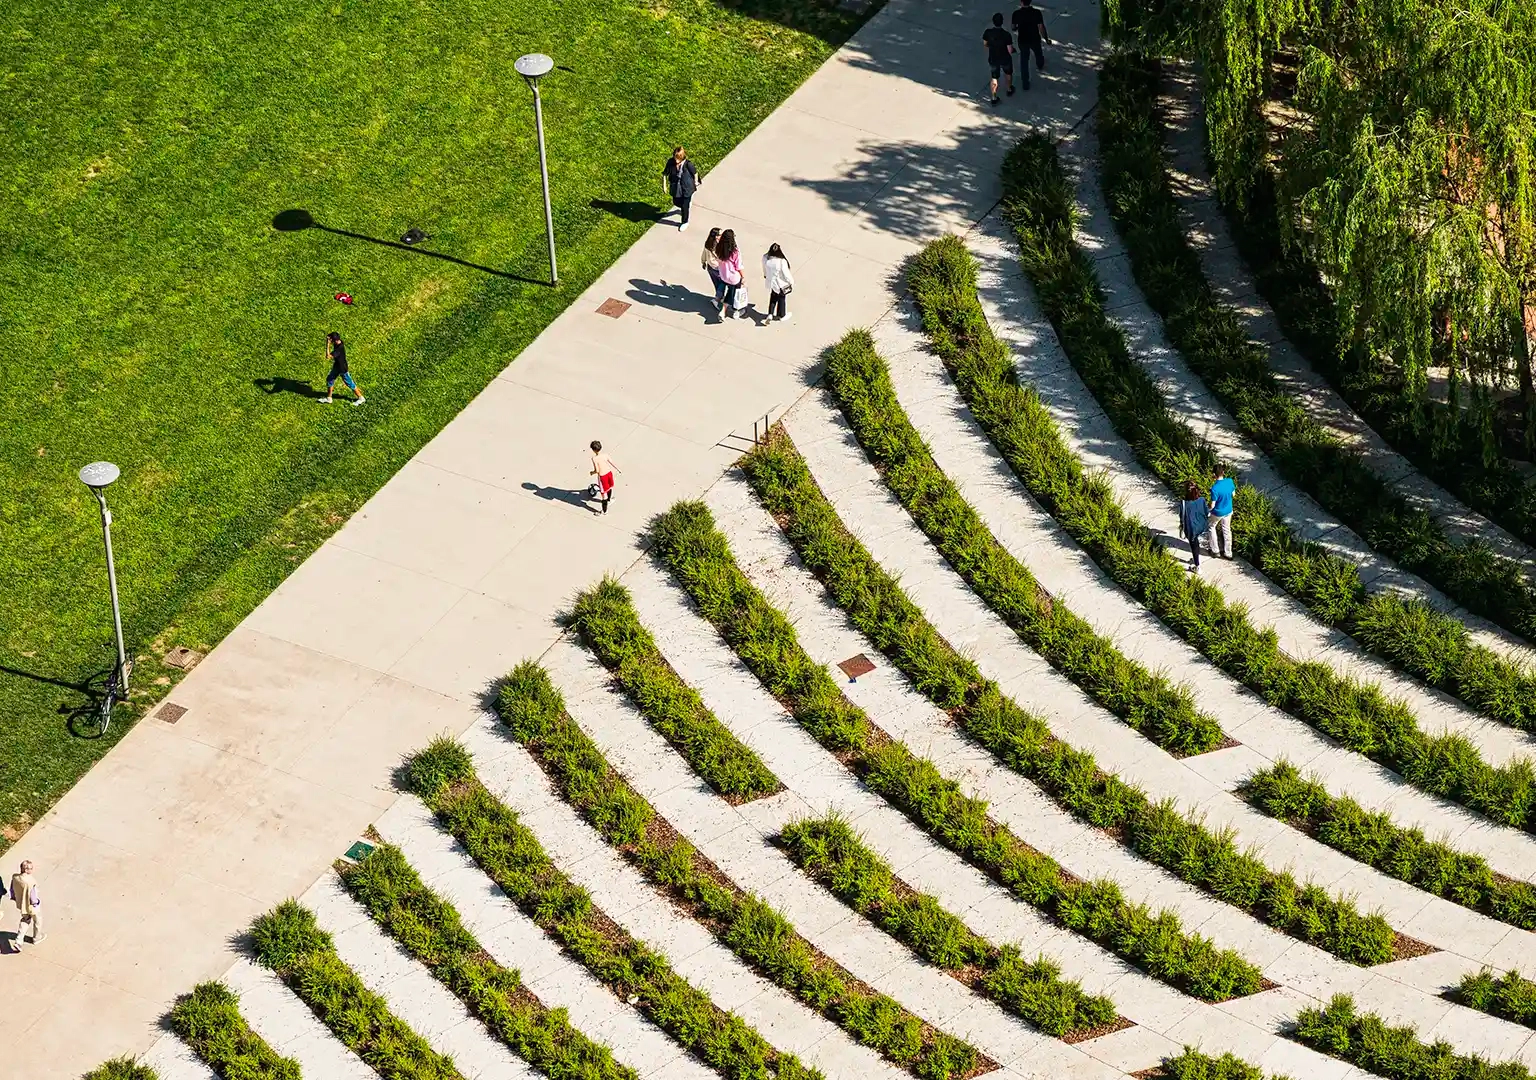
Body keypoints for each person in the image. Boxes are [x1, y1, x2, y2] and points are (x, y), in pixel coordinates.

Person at [1010, 0, 1050, 88]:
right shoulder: (1036, 13)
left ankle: (1025, 82)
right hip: (1034, 38)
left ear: (1021, 1)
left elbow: (1013, 27)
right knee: (1038, 53)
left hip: (1023, 40)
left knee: (1024, 60)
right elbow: (1041, 27)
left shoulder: (1016, 14)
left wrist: (1017, 27)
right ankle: (1040, 64)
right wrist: (1046, 38)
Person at [662, 147, 701, 233]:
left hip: (687, 187)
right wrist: (664, 186)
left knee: (684, 207)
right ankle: (685, 206)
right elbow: (665, 174)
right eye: (675, 158)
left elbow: (695, 173)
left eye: (678, 158)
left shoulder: (688, 164)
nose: (676, 161)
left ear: (682, 157)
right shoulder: (670, 162)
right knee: (676, 202)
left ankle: (685, 222)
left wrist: (695, 182)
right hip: (676, 187)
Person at [321, 332, 364, 405]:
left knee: (349, 383)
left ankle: (361, 398)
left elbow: (328, 356)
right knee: (330, 379)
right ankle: (329, 398)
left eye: (331, 340)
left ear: (335, 340)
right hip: (337, 366)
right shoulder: (339, 342)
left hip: (342, 368)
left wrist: (327, 344)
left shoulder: (339, 349)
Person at [982, 13, 1015, 105]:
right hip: (1005, 58)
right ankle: (1009, 89)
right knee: (1008, 73)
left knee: (994, 77)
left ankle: (994, 97)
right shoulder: (1006, 35)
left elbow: (985, 44)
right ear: (1002, 22)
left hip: (993, 58)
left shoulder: (988, 32)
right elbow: (1010, 50)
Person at [1179, 480, 1209, 572]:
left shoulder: (1184, 503)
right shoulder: (1202, 499)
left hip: (1191, 528)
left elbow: (1181, 516)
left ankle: (1197, 566)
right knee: (1196, 542)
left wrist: (1182, 526)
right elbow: (1206, 512)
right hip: (1201, 525)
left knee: (1194, 545)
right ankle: (1196, 558)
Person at [1207, 466, 1236, 559]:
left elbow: (1212, 505)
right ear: (1223, 472)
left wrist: (1207, 509)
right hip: (1228, 510)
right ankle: (1228, 553)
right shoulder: (1230, 481)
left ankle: (1215, 551)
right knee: (1227, 530)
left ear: (1213, 474)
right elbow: (1233, 494)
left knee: (1211, 527)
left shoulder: (1214, 488)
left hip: (1218, 513)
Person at [10, 860, 40, 948]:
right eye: (31, 868)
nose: (32, 870)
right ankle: (36, 938)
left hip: (22, 905)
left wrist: (14, 897)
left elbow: (12, 889)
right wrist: (37, 902)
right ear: (26, 870)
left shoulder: (15, 877)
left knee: (25, 920)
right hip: (31, 906)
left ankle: (19, 941)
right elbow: (33, 897)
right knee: (37, 921)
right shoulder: (31, 881)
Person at [762, 244, 794, 324]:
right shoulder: (781, 261)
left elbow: (764, 269)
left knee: (773, 298)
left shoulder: (766, 258)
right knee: (782, 298)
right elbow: (786, 274)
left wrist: (765, 275)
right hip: (780, 284)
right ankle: (782, 315)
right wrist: (791, 281)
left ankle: (770, 314)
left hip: (771, 283)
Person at [715, 229, 744, 319]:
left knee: (729, 292)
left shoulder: (718, 248)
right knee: (734, 294)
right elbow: (738, 266)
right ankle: (734, 310)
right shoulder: (735, 252)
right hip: (733, 277)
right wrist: (743, 277)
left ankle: (721, 305)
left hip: (723, 275)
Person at [589, 440, 620, 514]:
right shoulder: (605, 455)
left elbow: (597, 470)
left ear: (593, 450)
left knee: (603, 494)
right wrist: (618, 469)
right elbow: (612, 462)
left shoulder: (594, 459)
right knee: (609, 487)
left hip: (602, 477)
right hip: (609, 473)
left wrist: (592, 472)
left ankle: (604, 511)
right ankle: (609, 500)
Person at [701, 227, 727, 307]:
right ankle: (717, 299)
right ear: (716, 236)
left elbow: (704, 253)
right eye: (720, 235)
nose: (722, 236)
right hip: (718, 268)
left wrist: (703, 261)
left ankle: (720, 296)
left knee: (717, 284)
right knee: (723, 283)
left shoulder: (708, 244)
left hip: (710, 267)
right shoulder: (719, 245)